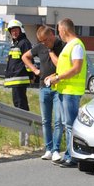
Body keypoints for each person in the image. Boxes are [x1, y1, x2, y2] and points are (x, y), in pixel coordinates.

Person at [43, 18, 87, 167]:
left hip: (71, 91)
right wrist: (54, 77)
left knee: (70, 125)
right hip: (64, 89)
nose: (59, 34)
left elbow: (76, 68)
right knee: (66, 124)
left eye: (59, 30)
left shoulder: (76, 45)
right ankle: (69, 154)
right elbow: (64, 68)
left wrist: (58, 78)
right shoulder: (69, 46)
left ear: (64, 30)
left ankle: (72, 157)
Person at [22, 25, 65, 160]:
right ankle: (48, 149)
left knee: (58, 120)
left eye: (45, 40)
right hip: (43, 87)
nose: (44, 44)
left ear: (52, 35)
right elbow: (25, 57)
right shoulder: (40, 47)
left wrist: (51, 51)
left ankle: (56, 150)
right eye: (41, 41)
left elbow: (60, 65)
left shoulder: (62, 45)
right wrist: (35, 70)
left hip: (58, 87)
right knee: (46, 120)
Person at [4, 19, 33, 111]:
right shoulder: (15, 44)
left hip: (20, 78)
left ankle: (24, 123)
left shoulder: (24, 43)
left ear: (21, 30)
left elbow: (29, 60)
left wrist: (31, 75)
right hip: (16, 79)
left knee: (20, 104)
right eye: (12, 30)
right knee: (17, 103)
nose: (14, 32)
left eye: (16, 30)